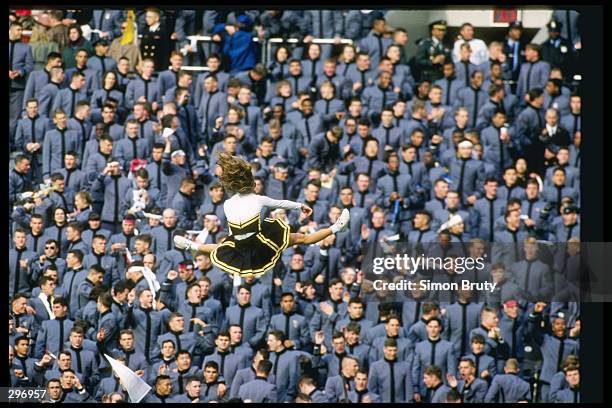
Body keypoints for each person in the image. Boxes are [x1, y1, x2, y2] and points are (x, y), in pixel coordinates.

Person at [174, 152, 350, 279]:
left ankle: (190, 245)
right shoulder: (258, 199)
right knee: (301, 238)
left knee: (220, 248)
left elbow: (234, 230)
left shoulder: (227, 204)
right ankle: (336, 227)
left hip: (240, 242)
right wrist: (300, 206)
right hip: (257, 244)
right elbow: (281, 203)